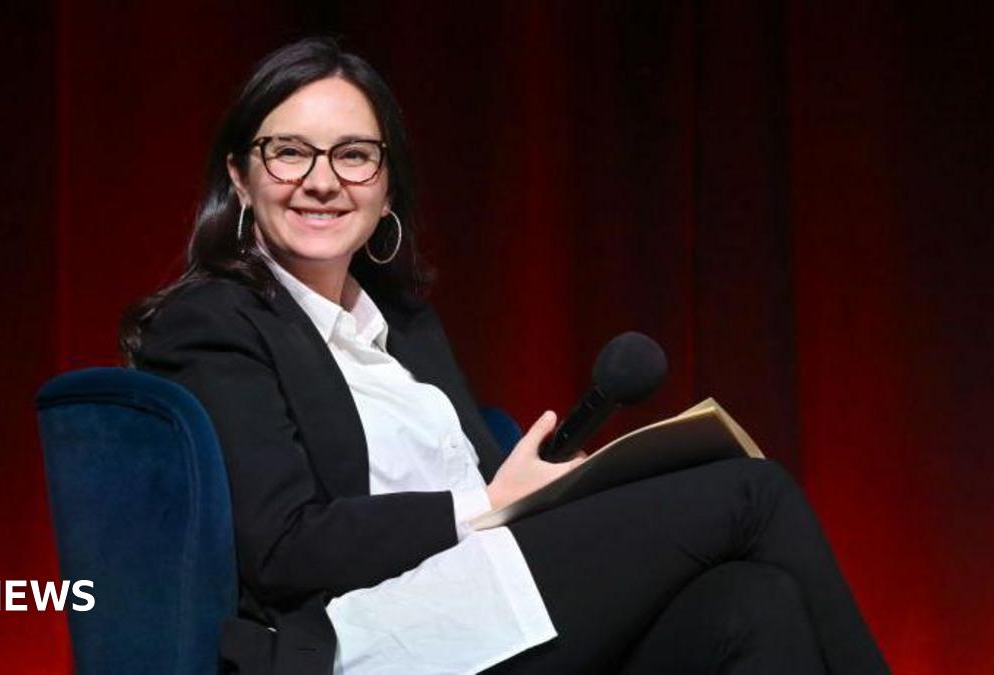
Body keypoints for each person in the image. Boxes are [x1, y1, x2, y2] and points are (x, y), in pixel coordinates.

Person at [123, 37, 889, 675]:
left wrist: (552, 491)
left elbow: (490, 492)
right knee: (751, 493)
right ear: (241, 176)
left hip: (485, 603)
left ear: (386, 188)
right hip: (370, 638)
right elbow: (285, 545)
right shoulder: (212, 319)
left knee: (755, 603)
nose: (322, 181)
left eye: (354, 155)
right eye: (289, 153)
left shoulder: (402, 323)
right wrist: (485, 505)